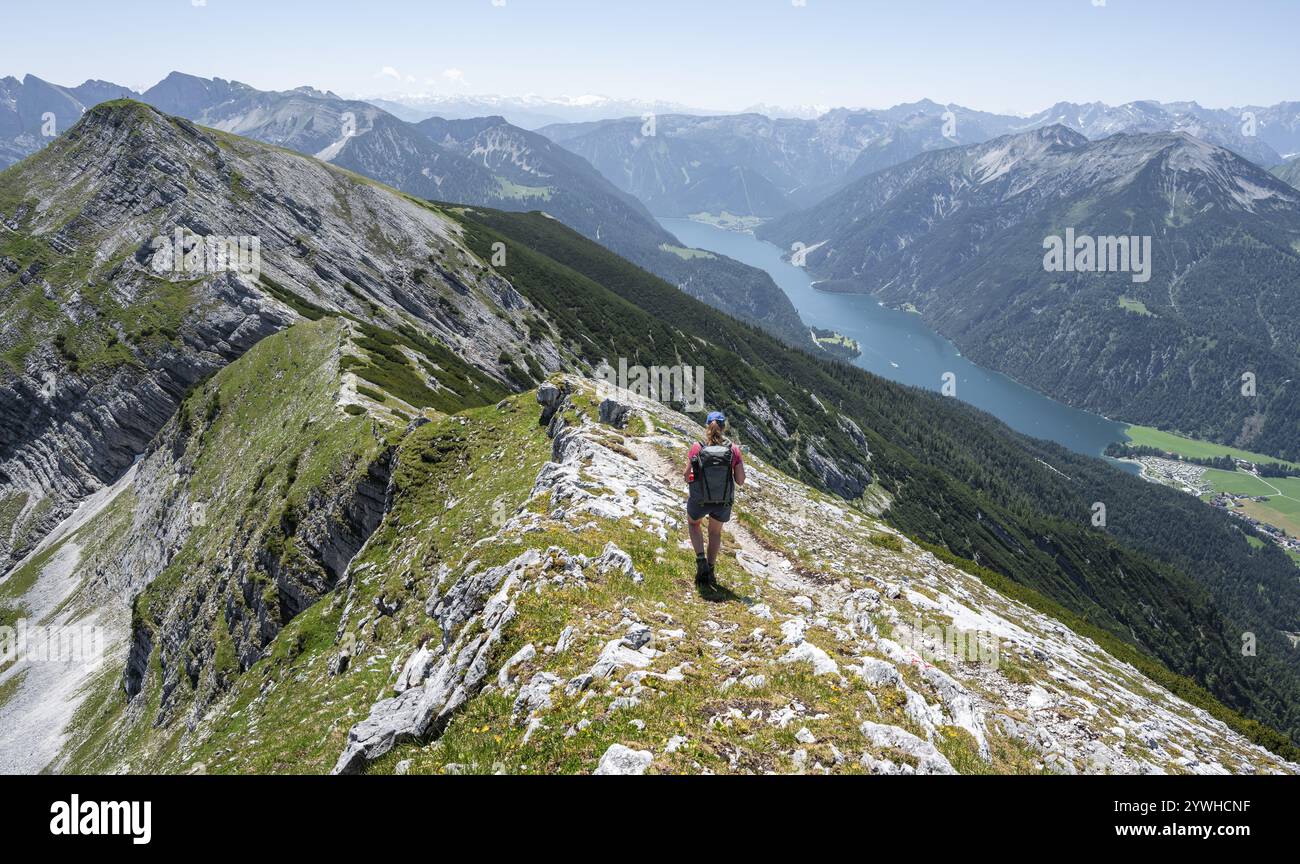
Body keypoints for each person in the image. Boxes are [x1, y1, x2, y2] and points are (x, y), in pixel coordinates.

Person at [684, 410, 745, 588]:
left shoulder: (698, 447)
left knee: (694, 524)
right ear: (724, 427)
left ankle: (700, 561)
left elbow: (687, 476)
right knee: (715, 533)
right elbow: (740, 481)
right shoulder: (733, 449)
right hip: (722, 501)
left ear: (706, 427)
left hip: (700, 499)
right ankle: (710, 568)